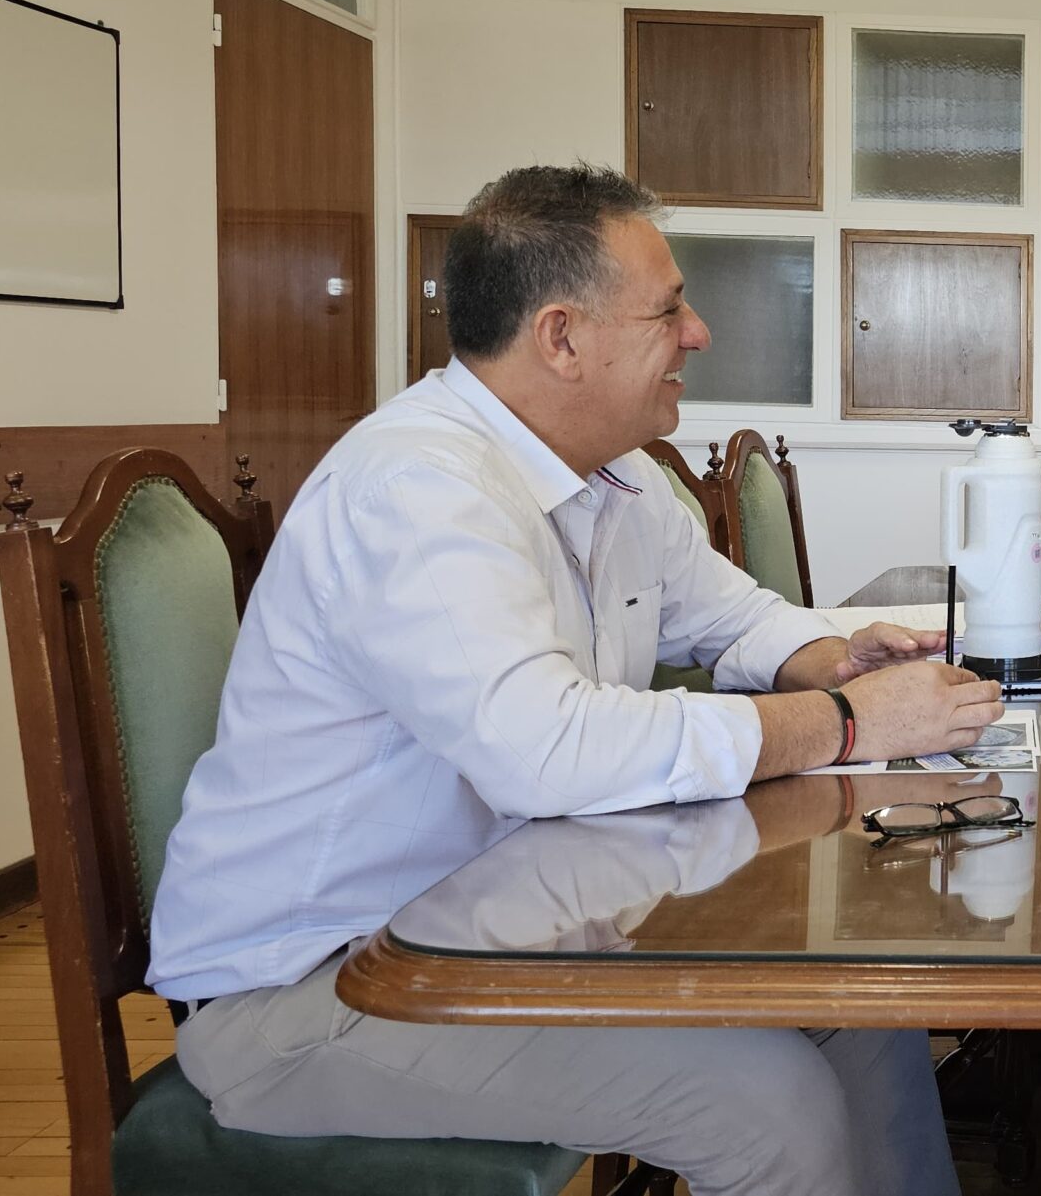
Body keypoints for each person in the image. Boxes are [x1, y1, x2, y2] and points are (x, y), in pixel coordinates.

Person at [148, 164, 995, 1196]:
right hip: (321, 985)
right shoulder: (419, 488)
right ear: (561, 336)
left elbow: (732, 613)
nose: (698, 333)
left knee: (867, 1014)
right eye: (670, 307)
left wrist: (832, 658)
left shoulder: (614, 473)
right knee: (764, 1098)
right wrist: (845, 722)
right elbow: (544, 754)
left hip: (511, 938)